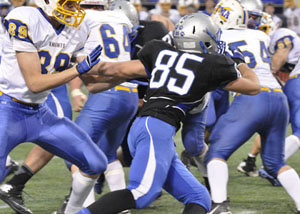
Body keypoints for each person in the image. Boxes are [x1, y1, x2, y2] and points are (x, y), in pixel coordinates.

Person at [74, 12, 261, 214]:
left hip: (144, 128)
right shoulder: (212, 66)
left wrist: (82, 64)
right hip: (157, 128)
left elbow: (115, 70)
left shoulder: (160, 53)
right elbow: (253, 87)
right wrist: (239, 61)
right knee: (142, 193)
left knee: (199, 197)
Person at [0, 1, 108, 214]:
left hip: (39, 113)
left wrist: (136, 67)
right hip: (6, 109)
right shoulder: (24, 17)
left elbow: (90, 67)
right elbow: (34, 82)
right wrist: (78, 70)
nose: (72, 9)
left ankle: (71, 212)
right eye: (67, 3)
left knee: (95, 162)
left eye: (75, 3)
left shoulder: (76, 28)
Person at [206, 0, 300, 213]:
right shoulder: (260, 36)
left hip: (251, 97)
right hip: (278, 97)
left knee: (216, 153)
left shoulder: (219, 36)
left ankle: (219, 206)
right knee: (275, 163)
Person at [238, 16, 300, 186]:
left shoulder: (282, 34)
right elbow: (279, 59)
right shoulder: (265, 43)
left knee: (275, 126)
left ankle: (251, 161)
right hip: (294, 83)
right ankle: (269, 166)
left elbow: (280, 55)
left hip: (290, 84)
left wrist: (268, 74)